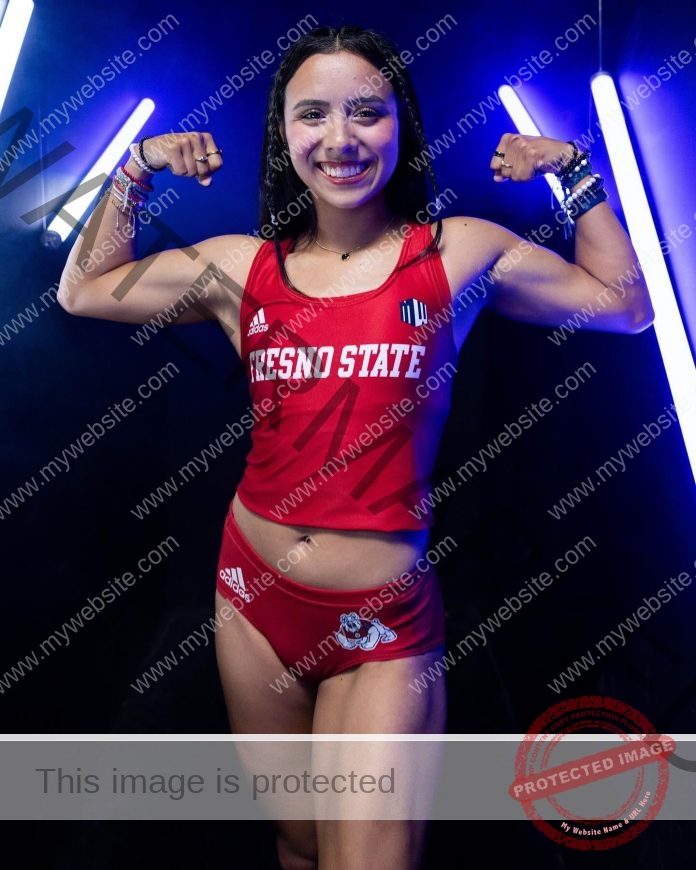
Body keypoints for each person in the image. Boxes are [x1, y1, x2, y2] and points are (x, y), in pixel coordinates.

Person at [58, 23, 653, 870]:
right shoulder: (241, 268)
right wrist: (136, 169)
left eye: (366, 112)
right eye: (314, 115)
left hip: (383, 625)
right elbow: (83, 289)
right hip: (252, 601)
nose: (340, 138)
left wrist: (575, 170)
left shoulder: (456, 252)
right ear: (285, 132)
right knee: (299, 845)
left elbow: (624, 304)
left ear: (400, 124)